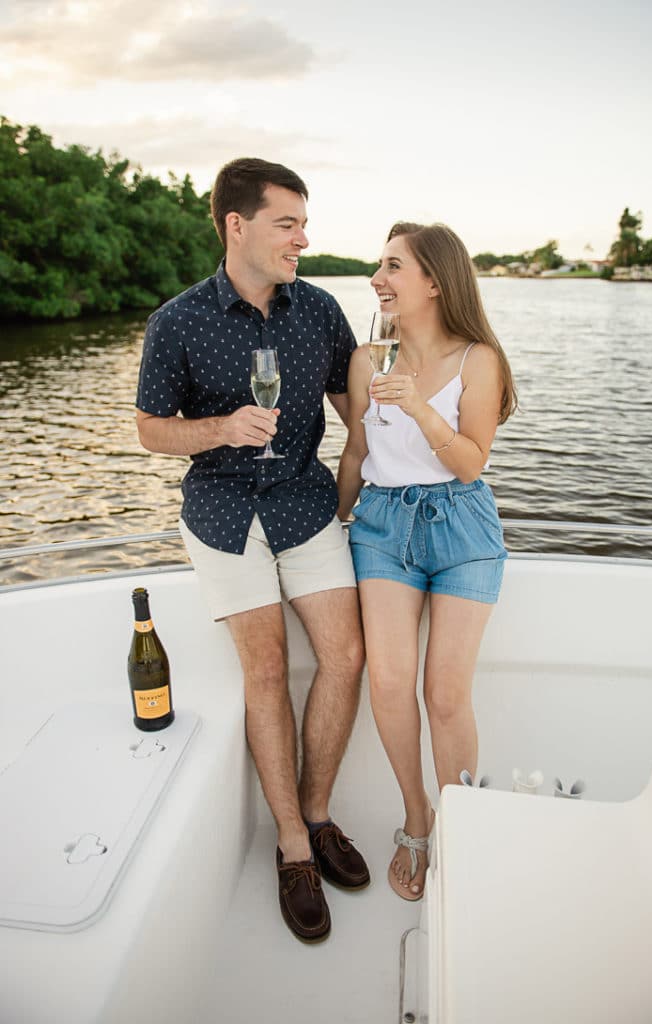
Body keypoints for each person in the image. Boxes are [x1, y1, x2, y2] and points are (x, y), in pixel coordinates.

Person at [136, 158, 368, 944]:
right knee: (265, 669)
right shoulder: (177, 321)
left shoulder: (321, 311)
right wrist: (222, 428)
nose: (304, 237)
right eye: (288, 223)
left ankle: (318, 811)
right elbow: (150, 429)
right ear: (238, 227)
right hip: (223, 511)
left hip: (306, 505)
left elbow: (357, 410)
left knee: (346, 656)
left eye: (303, 222)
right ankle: (294, 848)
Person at [337, 221, 516, 900]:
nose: (377, 279)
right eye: (378, 267)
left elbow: (471, 462)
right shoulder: (366, 361)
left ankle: (462, 827)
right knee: (388, 682)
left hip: (461, 524)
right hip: (381, 525)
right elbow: (356, 455)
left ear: (436, 282)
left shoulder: (478, 360)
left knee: (444, 694)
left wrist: (417, 406)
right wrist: (334, 522)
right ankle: (416, 819)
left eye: (392, 267)